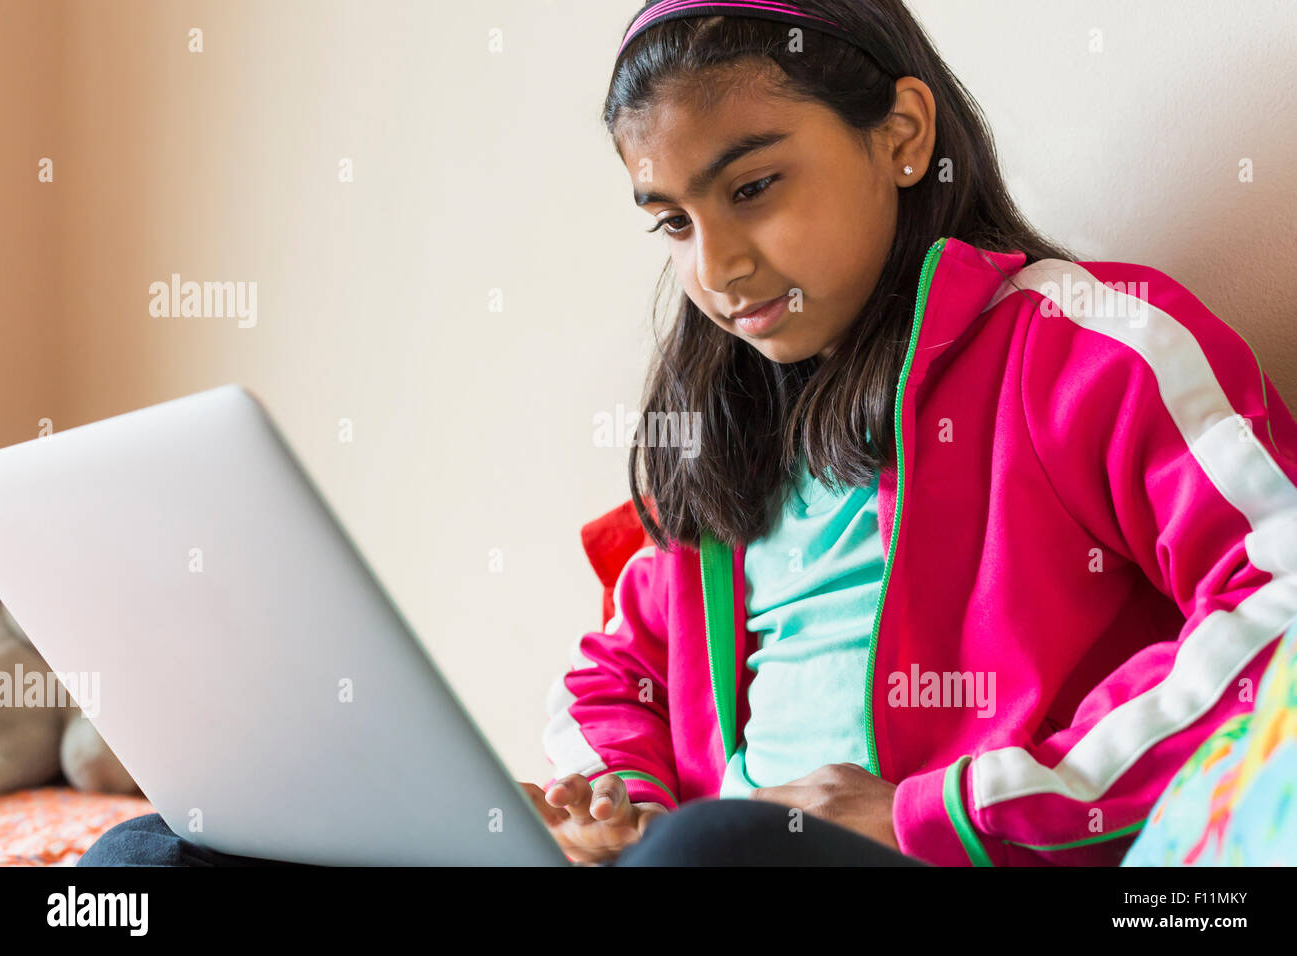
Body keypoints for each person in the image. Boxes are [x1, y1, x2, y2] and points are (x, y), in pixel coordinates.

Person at [80, 0, 1297, 867]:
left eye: (753, 185)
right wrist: (607, 795)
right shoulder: (718, 433)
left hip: (930, 858)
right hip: (705, 855)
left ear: (902, 134)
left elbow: (1280, 601)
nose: (715, 266)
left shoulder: (1088, 344)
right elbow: (621, 680)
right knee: (154, 854)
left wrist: (948, 806)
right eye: (670, 221)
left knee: (725, 838)